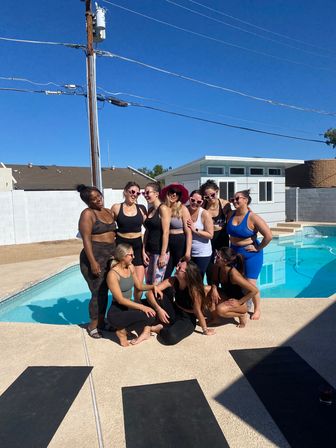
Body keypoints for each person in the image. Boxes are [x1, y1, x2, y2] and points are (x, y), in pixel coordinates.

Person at [226, 189, 272, 320]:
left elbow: (268, 236)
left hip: (251, 254)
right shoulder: (231, 214)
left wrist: (258, 247)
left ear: (245, 200)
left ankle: (257, 309)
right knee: (237, 281)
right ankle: (245, 303)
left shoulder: (253, 217)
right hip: (234, 253)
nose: (234, 201)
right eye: (232, 199)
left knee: (250, 284)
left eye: (237, 198)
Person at [77, 184, 116, 339]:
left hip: (110, 255)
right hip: (94, 255)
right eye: (93, 199)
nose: (98, 200)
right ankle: (92, 325)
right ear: (88, 202)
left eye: (99, 196)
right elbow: (85, 240)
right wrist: (93, 262)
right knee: (97, 292)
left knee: (106, 291)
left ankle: (102, 321)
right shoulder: (87, 214)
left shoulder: (108, 211)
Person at [146, 259, 215, 345]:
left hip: (187, 318)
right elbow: (149, 293)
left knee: (171, 337)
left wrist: (205, 329)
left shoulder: (194, 290)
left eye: (179, 268)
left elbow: (198, 311)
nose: (176, 268)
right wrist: (158, 309)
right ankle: (165, 322)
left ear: (186, 274)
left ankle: (158, 328)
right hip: (174, 310)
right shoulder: (173, 280)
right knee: (156, 294)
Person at [106, 244, 163, 346]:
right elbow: (120, 300)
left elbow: (139, 286)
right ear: (123, 256)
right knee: (148, 313)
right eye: (131, 255)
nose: (134, 257)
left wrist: (152, 287)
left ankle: (126, 328)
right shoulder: (112, 274)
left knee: (152, 314)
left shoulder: (131, 267)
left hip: (129, 307)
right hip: (117, 312)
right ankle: (121, 331)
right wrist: (142, 307)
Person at [111, 182, 147, 302]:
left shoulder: (142, 208)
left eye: (138, 193)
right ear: (125, 191)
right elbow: (109, 228)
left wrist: (144, 250)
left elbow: (150, 228)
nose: (135, 195)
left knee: (139, 285)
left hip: (137, 246)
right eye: (132, 191)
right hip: (122, 247)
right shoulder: (116, 207)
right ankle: (121, 307)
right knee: (120, 282)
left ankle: (137, 305)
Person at [206, 247, 258, 328]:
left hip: (242, 302)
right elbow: (214, 280)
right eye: (216, 253)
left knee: (221, 310)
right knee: (205, 289)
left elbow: (254, 290)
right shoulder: (218, 266)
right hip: (228, 296)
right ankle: (215, 319)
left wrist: (239, 302)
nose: (215, 257)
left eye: (218, 256)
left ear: (225, 261)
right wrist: (214, 288)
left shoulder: (233, 274)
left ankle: (241, 315)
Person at [200, 179, 231, 284]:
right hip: (208, 241)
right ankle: (212, 293)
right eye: (206, 197)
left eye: (212, 195)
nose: (210, 198)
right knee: (210, 269)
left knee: (224, 269)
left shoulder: (225, 205)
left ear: (217, 191)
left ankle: (225, 294)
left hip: (222, 240)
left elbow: (235, 218)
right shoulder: (202, 206)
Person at [160, 183, 192, 279]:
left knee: (181, 274)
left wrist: (187, 252)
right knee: (165, 275)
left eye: (177, 193)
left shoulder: (183, 209)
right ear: (167, 193)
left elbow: (188, 232)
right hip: (168, 244)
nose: (174, 195)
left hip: (180, 243)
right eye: (172, 192)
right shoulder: (163, 208)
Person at [142, 182, 171, 284]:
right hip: (149, 252)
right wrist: (143, 250)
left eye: (148, 192)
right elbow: (147, 231)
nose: (145, 195)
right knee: (149, 283)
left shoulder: (163, 208)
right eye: (143, 193)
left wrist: (163, 254)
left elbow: (166, 232)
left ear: (156, 194)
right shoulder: (150, 210)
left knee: (157, 284)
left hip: (159, 252)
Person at [186, 190, 214, 279]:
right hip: (188, 252)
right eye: (192, 200)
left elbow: (210, 235)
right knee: (187, 279)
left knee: (198, 280)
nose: (195, 203)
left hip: (202, 253)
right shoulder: (185, 210)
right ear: (189, 199)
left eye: (199, 202)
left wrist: (195, 230)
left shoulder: (205, 214)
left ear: (202, 202)